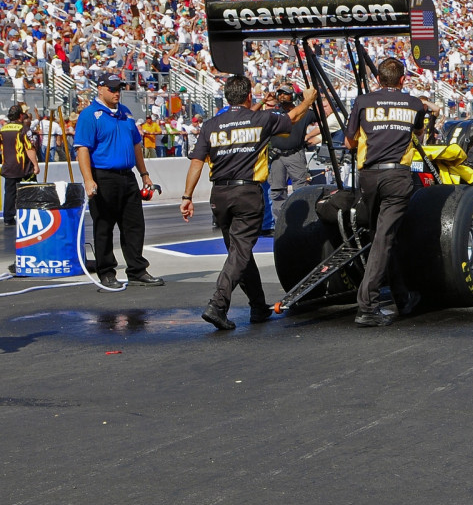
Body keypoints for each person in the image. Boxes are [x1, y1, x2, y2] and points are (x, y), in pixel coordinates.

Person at [180, 76, 316, 331]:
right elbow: (293, 118)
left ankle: (257, 306)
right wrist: (308, 99)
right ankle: (217, 305)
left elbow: (196, 162)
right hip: (247, 193)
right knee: (240, 251)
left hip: (218, 194)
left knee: (238, 251)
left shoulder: (211, 125)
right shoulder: (260, 118)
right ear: (248, 96)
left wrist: (187, 196)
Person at [343, 57, 428, 327]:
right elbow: (420, 136)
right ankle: (367, 306)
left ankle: (402, 298)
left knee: (385, 236)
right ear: (403, 80)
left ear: (378, 79)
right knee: (384, 239)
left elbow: (349, 141)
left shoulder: (363, 101)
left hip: (368, 176)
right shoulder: (414, 104)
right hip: (397, 176)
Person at [73, 73, 163, 289]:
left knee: (134, 226)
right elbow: (82, 149)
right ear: (100, 89)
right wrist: (88, 179)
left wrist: (144, 174)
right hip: (103, 177)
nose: (116, 93)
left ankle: (137, 270)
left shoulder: (125, 114)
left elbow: (136, 146)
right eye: (112, 89)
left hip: (127, 176)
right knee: (103, 226)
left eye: (119, 89)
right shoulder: (90, 115)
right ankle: (106, 272)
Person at [263, 88, 316, 224]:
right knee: (277, 191)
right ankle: (280, 224)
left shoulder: (306, 113)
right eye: (279, 93)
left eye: (285, 93)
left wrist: (308, 98)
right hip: (277, 156)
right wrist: (264, 101)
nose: (281, 96)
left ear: (292, 95)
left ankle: (303, 222)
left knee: (301, 190)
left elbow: (325, 113)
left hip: (295, 154)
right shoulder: (274, 113)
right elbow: (252, 116)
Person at [0, 104, 37, 226]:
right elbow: (29, 148)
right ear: (21, 115)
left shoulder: (3, 129)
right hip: (23, 167)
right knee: (29, 191)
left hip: (8, 166)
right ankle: (30, 216)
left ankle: (8, 218)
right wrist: (35, 165)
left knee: (9, 193)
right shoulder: (24, 129)